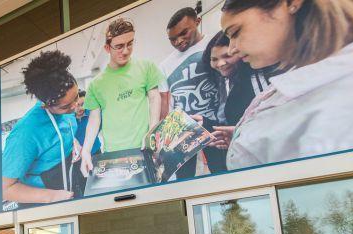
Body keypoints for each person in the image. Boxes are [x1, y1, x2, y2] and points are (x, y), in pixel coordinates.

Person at [220, 0, 353, 170]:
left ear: (291, 3)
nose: (232, 49)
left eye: (236, 32)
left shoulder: (348, 99)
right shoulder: (310, 79)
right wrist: (246, 137)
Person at [80, 18, 165, 176]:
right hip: (114, 154)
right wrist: (86, 150)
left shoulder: (146, 67)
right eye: (119, 46)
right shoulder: (96, 84)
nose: (125, 51)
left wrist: (152, 130)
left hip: (144, 148)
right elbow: (94, 119)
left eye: (130, 44)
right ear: (107, 47)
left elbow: (155, 98)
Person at [2, 50, 85, 205]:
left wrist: (74, 143)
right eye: (66, 106)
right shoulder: (26, 133)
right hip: (43, 205)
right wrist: (51, 197)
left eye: (77, 97)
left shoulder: (67, 109)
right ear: (46, 105)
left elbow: (59, 134)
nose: (75, 107)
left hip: (71, 187)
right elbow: (6, 188)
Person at [196, 30, 274, 173]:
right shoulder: (226, 82)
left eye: (227, 56)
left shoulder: (259, 78)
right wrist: (205, 123)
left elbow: (270, 122)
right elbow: (235, 125)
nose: (220, 63)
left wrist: (240, 134)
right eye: (214, 59)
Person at [159, 6, 217, 179]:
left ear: (198, 22)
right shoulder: (165, 64)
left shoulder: (214, 44)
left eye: (184, 33)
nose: (178, 41)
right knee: (185, 179)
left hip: (215, 123)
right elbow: (166, 103)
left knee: (222, 171)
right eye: (172, 39)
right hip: (183, 132)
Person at [75, 90, 102, 156]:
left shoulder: (92, 114)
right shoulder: (69, 118)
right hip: (78, 154)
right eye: (77, 105)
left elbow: (99, 126)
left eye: (83, 104)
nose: (81, 108)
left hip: (95, 151)